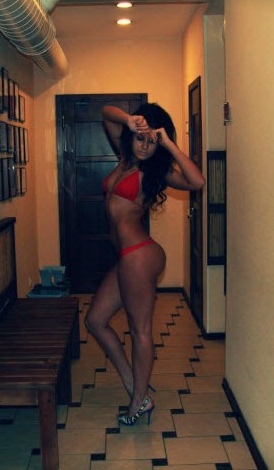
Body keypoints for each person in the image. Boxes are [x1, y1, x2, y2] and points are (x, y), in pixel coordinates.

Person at [84, 103, 205, 426]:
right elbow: (106, 113)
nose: (145, 146)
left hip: (139, 254)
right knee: (95, 320)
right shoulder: (124, 159)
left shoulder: (157, 173)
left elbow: (197, 181)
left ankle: (139, 401)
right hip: (127, 256)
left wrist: (168, 143)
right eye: (141, 138)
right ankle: (133, 383)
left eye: (152, 143)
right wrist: (130, 120)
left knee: (140, 331)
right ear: (132, 136)